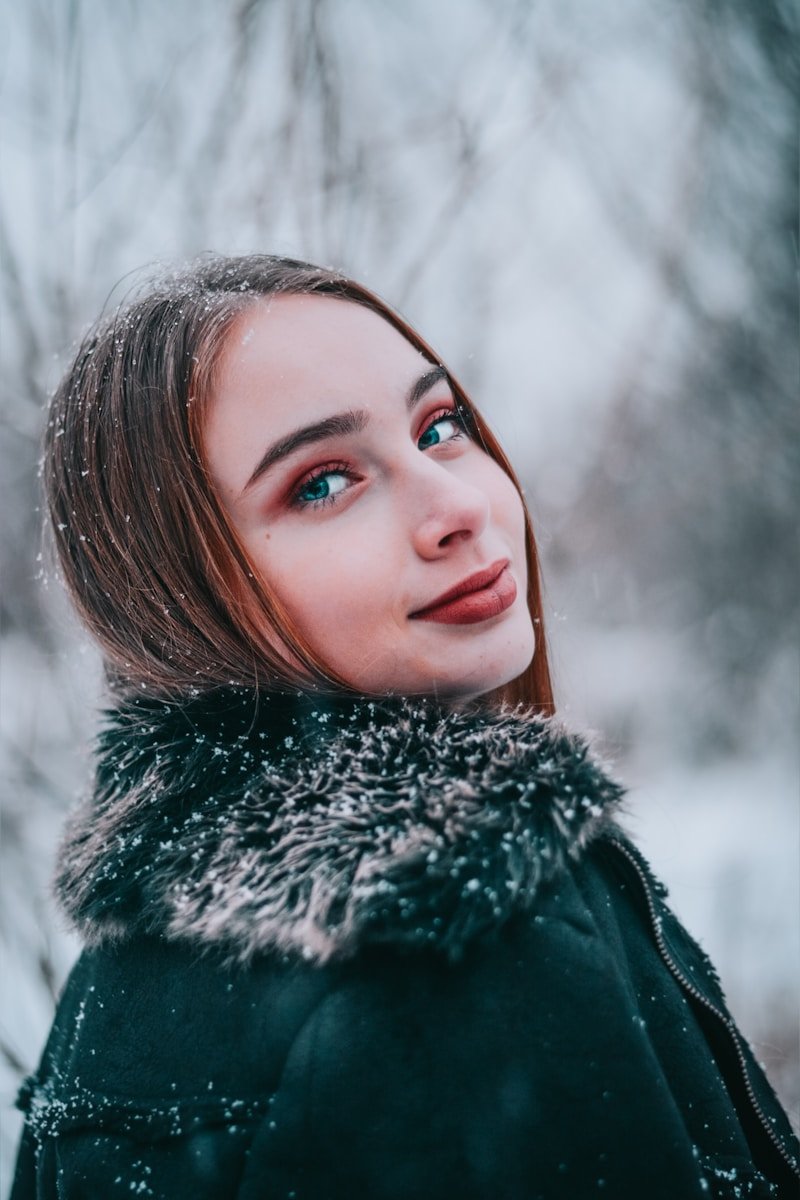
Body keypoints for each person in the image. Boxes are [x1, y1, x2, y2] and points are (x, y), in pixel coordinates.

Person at [10, 254, 799, 1200]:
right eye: (322, 484)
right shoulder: (469, 930)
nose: (458, 506)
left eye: (440, 426)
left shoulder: (125, 964)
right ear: (175, 597)